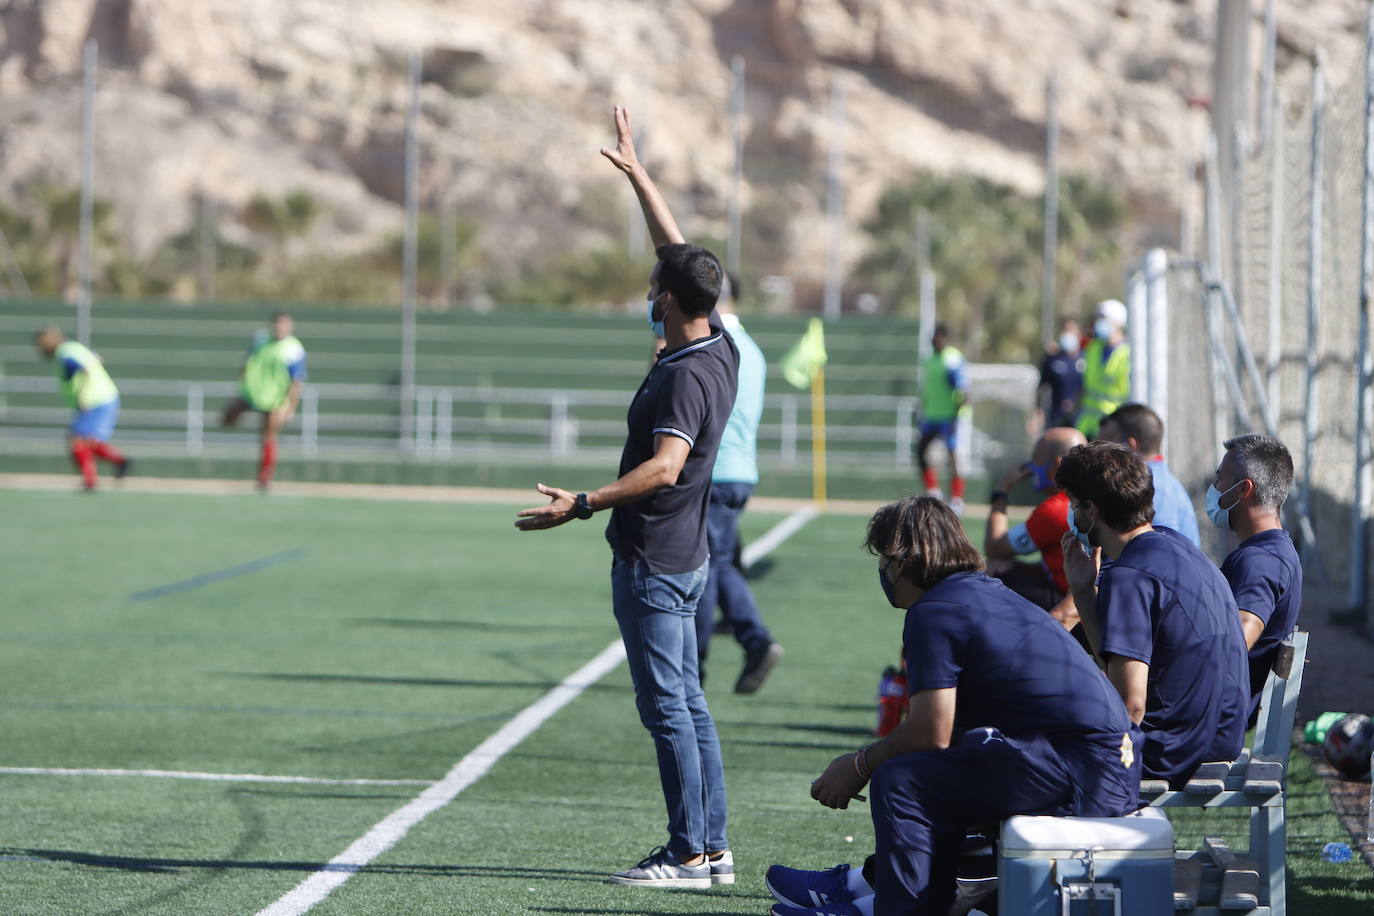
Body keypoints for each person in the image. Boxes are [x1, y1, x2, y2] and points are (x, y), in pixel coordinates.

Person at [515, 106, 738, 889]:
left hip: (655, 558)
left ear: (669, 302)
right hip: (688, 555)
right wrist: (641, 176)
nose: (651, 283)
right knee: (692, 705)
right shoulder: (720, 341)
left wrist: (582, 503)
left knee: (670, 710)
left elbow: (666, 467)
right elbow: (680, 253)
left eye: (655, 283)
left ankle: (687, 852)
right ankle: (710, 844)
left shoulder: (683, 373)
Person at [765, 496, 1141, 916]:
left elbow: (931, 729)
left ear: (911, 558)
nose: (883, 572)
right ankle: (905, 898)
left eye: (886, 559)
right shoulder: (985, 593)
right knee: (938, 769)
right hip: (1106, 765)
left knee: (901, 779)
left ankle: (896, 910)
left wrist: (858, 766)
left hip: (1081, 772)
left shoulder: (936, 610)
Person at [1056, 442, 1249, 787]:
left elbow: (1130, 707)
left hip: (1170, 749)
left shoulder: (1129, 574)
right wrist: (1084, 593)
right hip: (1218, 736)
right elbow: (1116, 666)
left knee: (1029, 744)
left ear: (1092, 509)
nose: (1072, 517)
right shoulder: (1174, 545)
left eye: (1074, 505)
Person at [695, 271, 785, 694]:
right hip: (740, 470)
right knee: (722, 561)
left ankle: (695, 663)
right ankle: (753, 642)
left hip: (714, 471)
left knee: (704, 567)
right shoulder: (751, 348)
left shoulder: (717, 346)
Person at [1210, 434, 1303, 720]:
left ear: (1243, 489)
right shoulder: (1271, 552)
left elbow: (1234, 642)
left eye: (1219, 479)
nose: (1214, 488)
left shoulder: (1260, 562)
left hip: (1210, 724)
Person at [983, 426, 1086, 613]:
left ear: (1058, 464)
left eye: (1036, 458)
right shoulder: (1093, 494)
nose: (1030, 466)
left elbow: (995, 547)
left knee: (992, 570)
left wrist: (1002, 490)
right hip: (1095, 601)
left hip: (1076, 606)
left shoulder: (1057, 508)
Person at [34, 326, 130, 490]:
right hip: (101, 397)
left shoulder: (65, 355)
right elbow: (95, 358)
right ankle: (118, 462)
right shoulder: (71, 348)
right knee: (86, 441)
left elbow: (85, 368)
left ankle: (94, 478)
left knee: (78, 441)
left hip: (94, 400)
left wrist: (84, 395)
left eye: (41, 344)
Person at [221, 311, 306, 490]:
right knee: (226, 419)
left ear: (291, 327)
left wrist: (290, 407)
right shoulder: (260, 339)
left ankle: (265, 476)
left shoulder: (293, 349)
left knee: (268, 435)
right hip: (251, 392)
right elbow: (248, 361)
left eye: (284, 324)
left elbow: (296, 381)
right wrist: (240, 380)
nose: (280, 327)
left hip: (274, 398)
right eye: (277, 323)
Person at [1098, 403, 1201, 546]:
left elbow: (1163, 553)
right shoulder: (1161, 482)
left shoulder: (1151, 488)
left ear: (1129, 446)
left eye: (1107, 442)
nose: (1098, 451)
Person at [916, 325, 969, 514]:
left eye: (937, 337)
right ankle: (933, 491)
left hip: (949, 417)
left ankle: (957, 499)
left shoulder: (952, 359)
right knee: (921, 450)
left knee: (953, 456)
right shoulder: (928, 359)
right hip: (931, 416)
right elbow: (928, 389)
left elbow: (963, 391)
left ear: (944, 339)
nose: (934, 340)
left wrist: (956, 416)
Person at [1075, 299, 1130, 439]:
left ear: (1118, 323)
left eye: (1104, 318)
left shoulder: (1127, 353)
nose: (1099, 322)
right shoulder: (1092, 348)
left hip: (1113, 428)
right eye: (1098, 318)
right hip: (1086, 426)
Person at [1037, 317, 1083, 430]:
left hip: (1080, 417)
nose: (1067, 334)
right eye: (1064, 330)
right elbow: (1041, 388)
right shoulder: (1052, 360)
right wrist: (1038, 414)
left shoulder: (1086, 359)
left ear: (1078, 333)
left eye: (1070, 330)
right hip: (1056, 417)